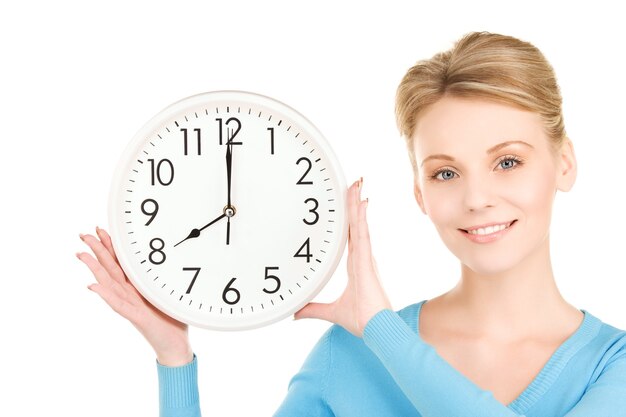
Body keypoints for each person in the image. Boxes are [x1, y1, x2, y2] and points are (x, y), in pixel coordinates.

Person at [77, 31, 626, 416]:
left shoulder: (613, 367)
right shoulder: (352, 354)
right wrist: (175, 360)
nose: (477, 198)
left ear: (565, 163)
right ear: (420, 194)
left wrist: (382, 331)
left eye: (508, 161)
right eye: (445, 173)